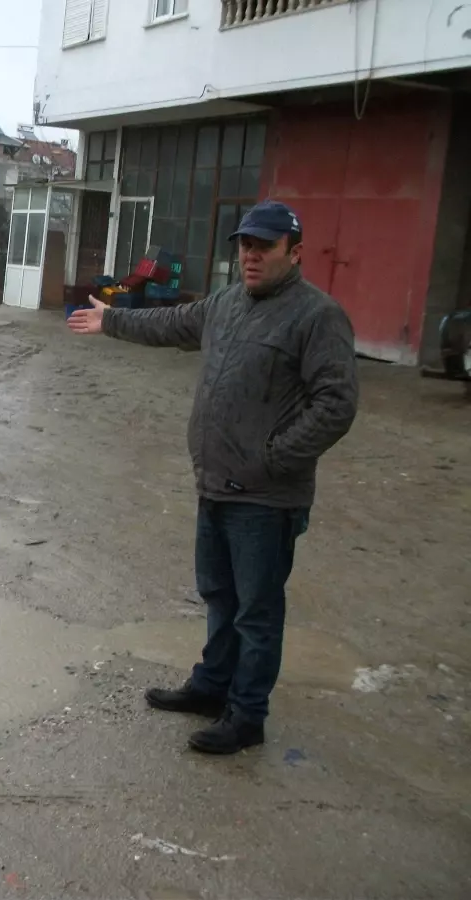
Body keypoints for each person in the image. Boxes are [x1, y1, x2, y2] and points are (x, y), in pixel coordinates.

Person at [67, 200, 358, 754]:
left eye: (264, 245)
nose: (251, 255)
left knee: (257, 612)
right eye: (245, 244)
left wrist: (273, 457)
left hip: (266, 497)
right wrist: (111, 320)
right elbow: (171, 322)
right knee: (220, 595)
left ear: (293, 253)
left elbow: (336, 404)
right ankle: (211, 687)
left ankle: (247, 716)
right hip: (216, 484)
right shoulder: (227, 303)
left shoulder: (317, 316)